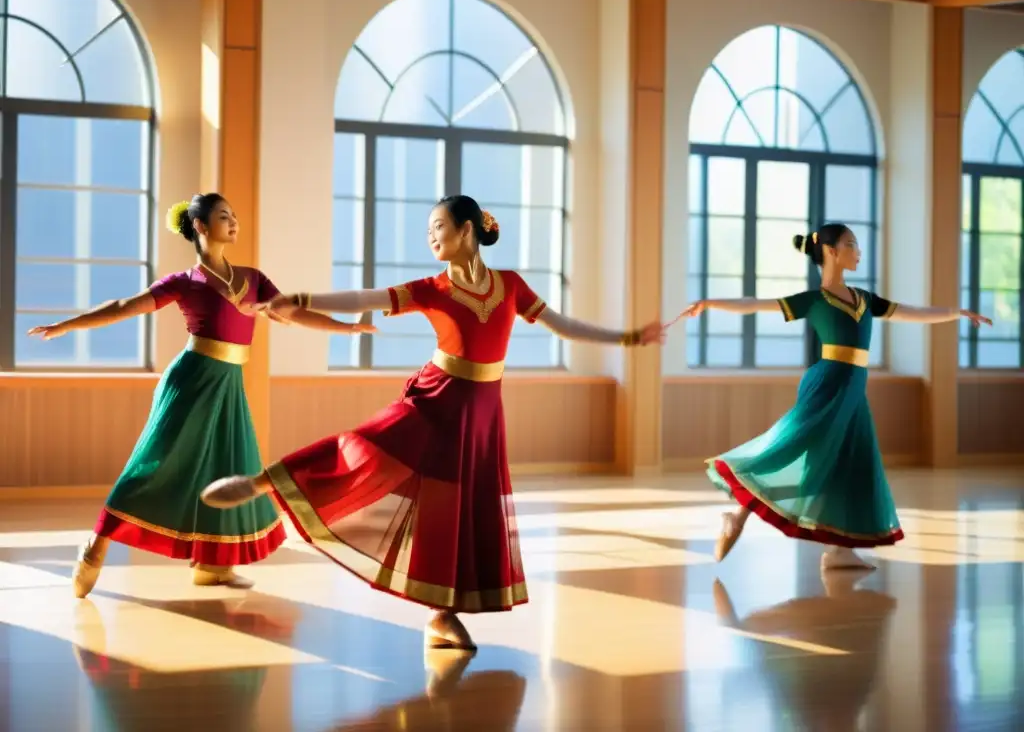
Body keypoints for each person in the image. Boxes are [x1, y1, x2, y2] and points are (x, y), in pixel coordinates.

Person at [201, 194, 664, 650]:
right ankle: (262, 482)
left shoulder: (510, 285)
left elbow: (564, 325)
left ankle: (441, 618)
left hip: (481, 414)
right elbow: (367, 295)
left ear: (467, 230)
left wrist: (625, 338)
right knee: (364, 445)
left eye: (437, 228)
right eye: (428, 232)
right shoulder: (432, 288)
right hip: (434, 399)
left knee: (459, 512)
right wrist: (301, 298)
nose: (431, 238)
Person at [28, 193, 374, 597]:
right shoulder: (184, 282)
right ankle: (96, 544)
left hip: (228, 383)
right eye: (223, 215)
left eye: (234, 215)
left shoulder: (253, 278)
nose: (233, 221)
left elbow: (291, 313)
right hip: (191, 380)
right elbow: (125, 306)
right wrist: (67, 326)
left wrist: (346, 329)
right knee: (155, 464)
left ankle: (213, 566)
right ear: (200, 227)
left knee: (226, 467)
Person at [677, 223, 991, 571]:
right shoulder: (814, 300)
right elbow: (754, 304)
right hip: (827, 382)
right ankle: (736, 515)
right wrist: (710, 303)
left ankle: (840, 549)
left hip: (854, 387)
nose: (858, 251)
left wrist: (956, 313)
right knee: (792, 449)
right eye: (851, 244)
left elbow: (912, 312)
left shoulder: (866, 300)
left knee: (853, 462)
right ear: (830, 251)